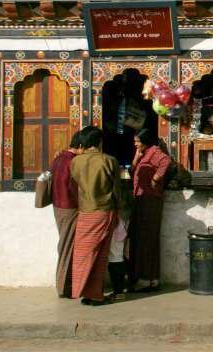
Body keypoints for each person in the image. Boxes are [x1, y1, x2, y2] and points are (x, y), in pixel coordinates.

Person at [70, 126, 122, 306]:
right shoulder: (109, 160)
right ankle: (96, 295)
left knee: (83, 254)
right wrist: (119, 210)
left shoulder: (75, 162)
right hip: (104, 210)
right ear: (99, 142)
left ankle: (84, 292)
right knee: (100, 255)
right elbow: (116, 191)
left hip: (85, 211)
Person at [129, 128, 171, 292]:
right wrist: (135, 158)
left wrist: (155, 178)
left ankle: (146, 278)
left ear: (145, 141)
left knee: (147, 239)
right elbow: (132, 172)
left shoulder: (155, 152)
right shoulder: (143, 153)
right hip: (142, 199)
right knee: (146, 239)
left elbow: (166, 161)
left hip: (150, 200)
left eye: (137, 141)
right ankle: (152, 278)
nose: (135, 144)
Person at [49, 130, 85, 298]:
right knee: (68, 247)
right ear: (79, 146)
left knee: (64, 244)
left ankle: (66, 284)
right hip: (70, 207)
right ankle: (65, 287)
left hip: (58, 206)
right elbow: (74, 187)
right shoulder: (73, 162)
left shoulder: (58, 158)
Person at [107, 199, 131, 301]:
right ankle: (119, 292)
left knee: (115, 263)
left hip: (116, 237)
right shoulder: (119, 218)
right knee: (116, 261)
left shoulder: (114, 218)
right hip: (119, 236)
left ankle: (119, 292)